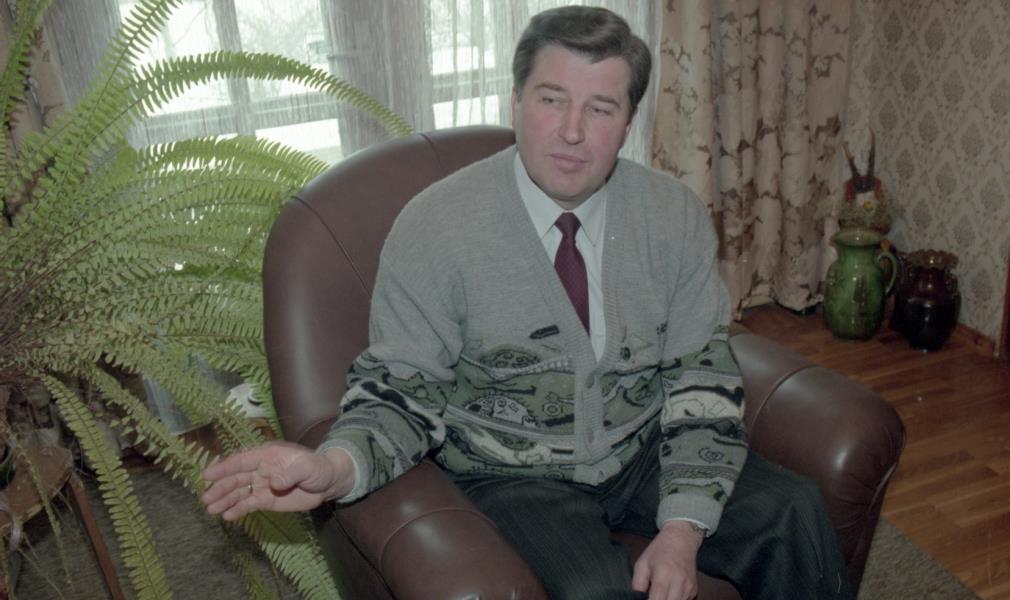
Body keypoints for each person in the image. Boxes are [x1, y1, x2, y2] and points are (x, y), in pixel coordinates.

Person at [202, 6, 854, 600]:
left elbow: (700, 376)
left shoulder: (672, 215)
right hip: (510, 474)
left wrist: (684, 526)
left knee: (793, 512)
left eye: (601, 108)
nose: (572, 132)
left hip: (644, 444)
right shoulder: (436, 227)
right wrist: (334, 466)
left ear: (629, 122)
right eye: (551, 99)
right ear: (515, 101)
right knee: (595, 590)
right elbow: (403, 390)